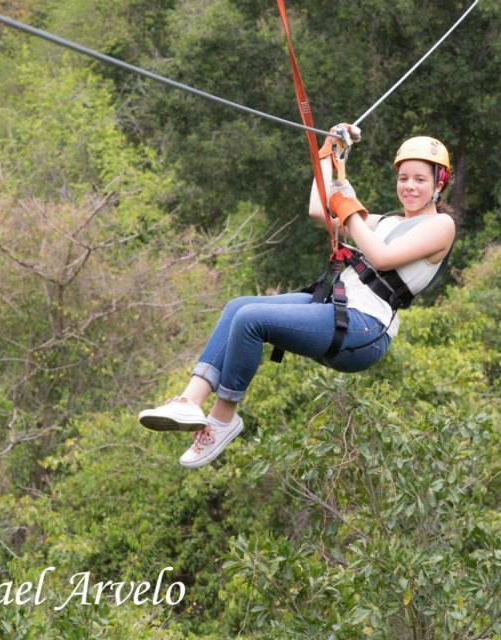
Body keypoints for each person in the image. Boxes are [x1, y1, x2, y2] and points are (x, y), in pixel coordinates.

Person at [138, 127, 456, 468]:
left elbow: (380, 257)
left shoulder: (441, 227)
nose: (409, 186)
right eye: (404, 178)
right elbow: (319, 210)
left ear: (439, 183)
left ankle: (222, 418)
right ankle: (189, 400)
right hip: (337, 309)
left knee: (251, 321)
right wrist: (327, 154)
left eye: (420, 180)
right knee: (238, 308)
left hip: (364, 329)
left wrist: (348, 208)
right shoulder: (385, 222)